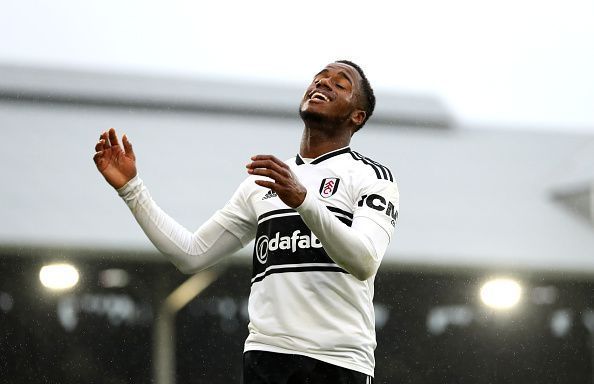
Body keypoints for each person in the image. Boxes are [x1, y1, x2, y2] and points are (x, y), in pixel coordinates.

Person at [93, 60, 399, 384]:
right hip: (265, 359)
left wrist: (303, 200)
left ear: (357, 116)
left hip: (337, 361)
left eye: (340, 84)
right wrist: (131, 189)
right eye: (319, 79)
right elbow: (191, 254)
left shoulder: (370, 178)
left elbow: (364, 261)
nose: (323, 84)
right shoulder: (261, 184)